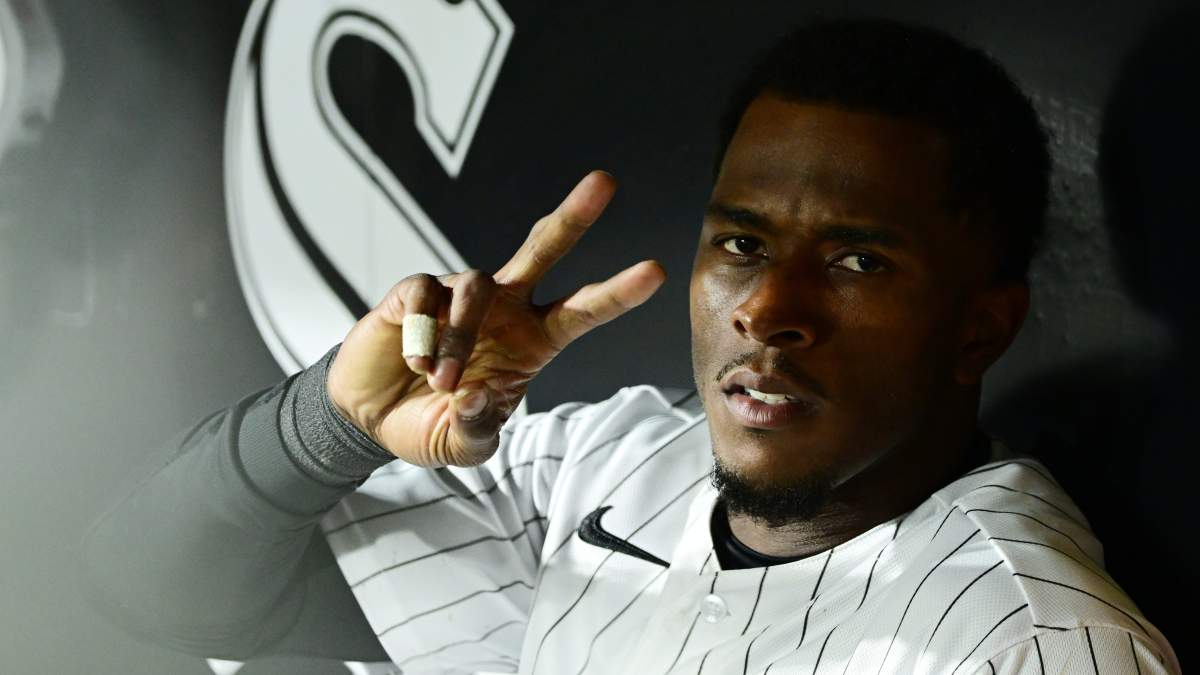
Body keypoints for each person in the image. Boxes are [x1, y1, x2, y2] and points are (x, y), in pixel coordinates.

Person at [82, 18, 1180, 675]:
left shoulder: (1029, 642)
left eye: (857, 260)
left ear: (980, 325)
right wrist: (334, 420)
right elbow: (153, 584)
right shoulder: (603, 469)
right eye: (743, 243)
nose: (768, 309)